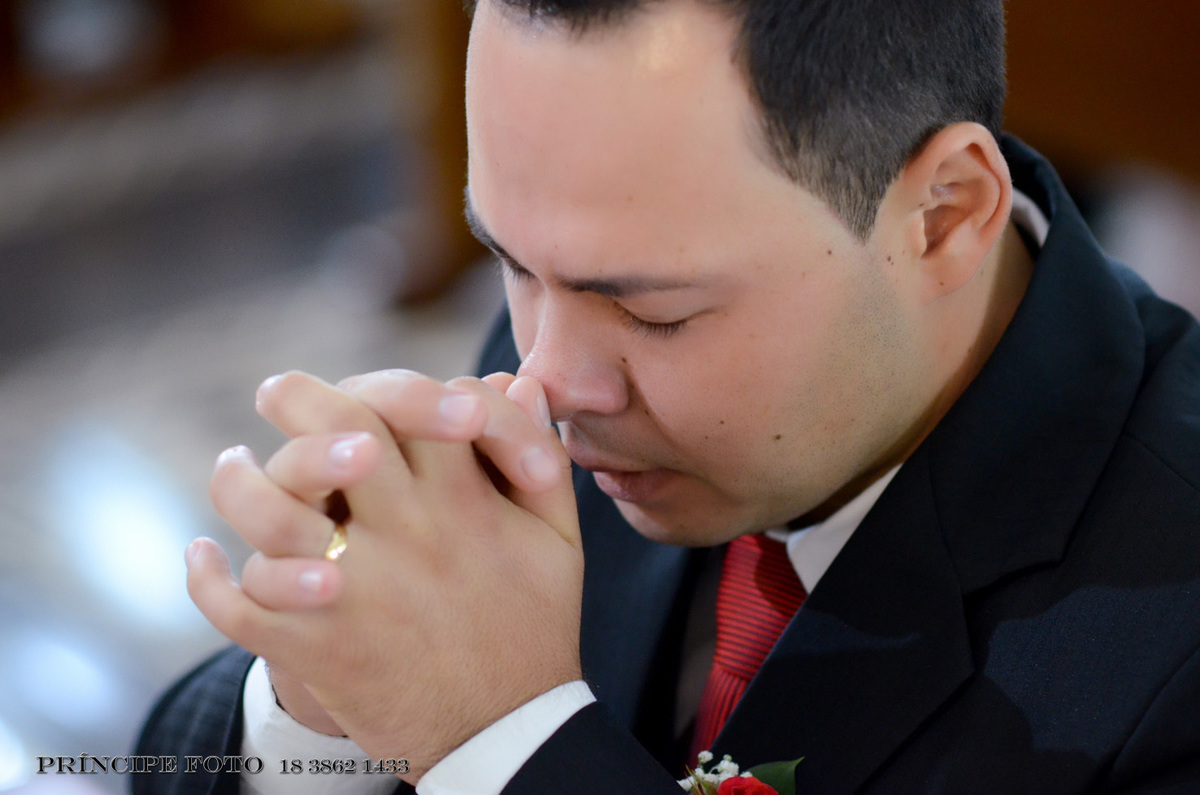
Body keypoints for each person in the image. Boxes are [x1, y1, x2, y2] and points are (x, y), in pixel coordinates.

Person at [136, 0, 1200, 793]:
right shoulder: (567, 348)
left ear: (945, 216)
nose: (544, 380)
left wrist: (503, 742)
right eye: (509, 262)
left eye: (655, 313)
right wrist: (323, 710)